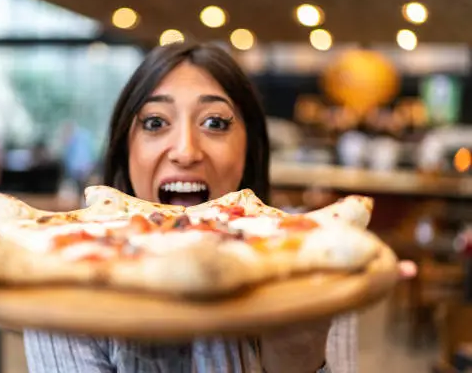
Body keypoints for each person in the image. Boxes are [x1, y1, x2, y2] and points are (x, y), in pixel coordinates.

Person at [24, 43, 415, 373]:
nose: (186, 151)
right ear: (125, 150)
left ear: (250, 149)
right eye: (156, 122)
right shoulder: (64, 276)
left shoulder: (315, 264)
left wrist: (299, 356)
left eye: (215, 122)